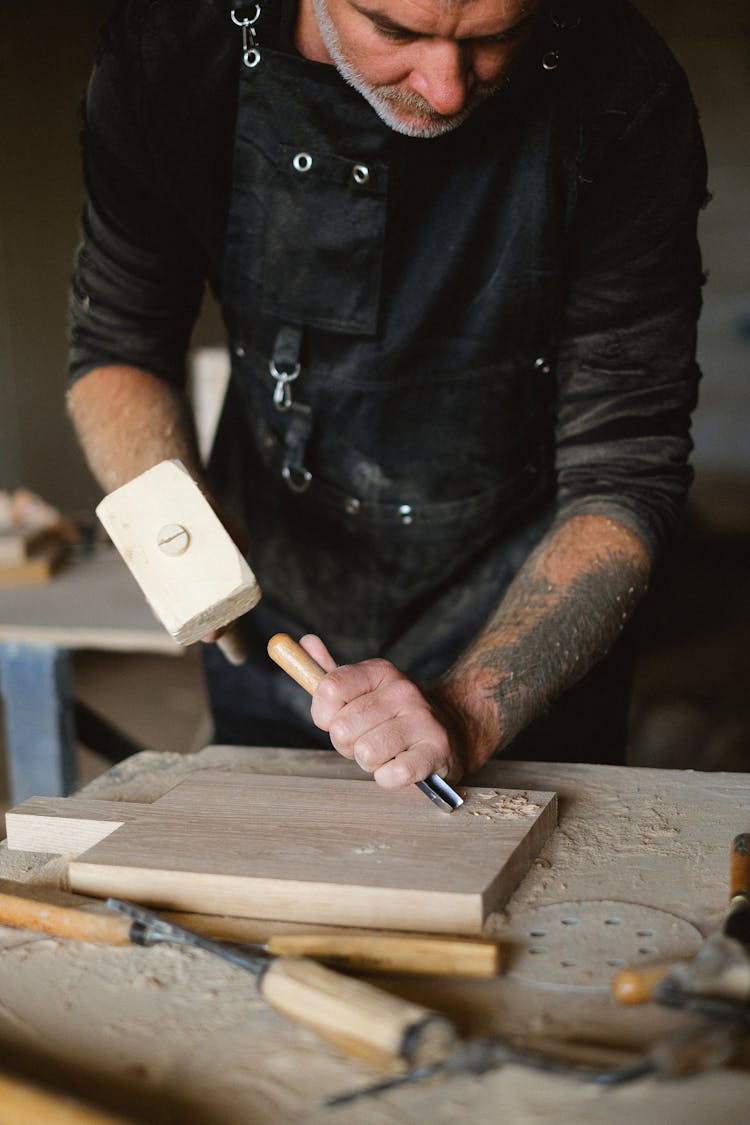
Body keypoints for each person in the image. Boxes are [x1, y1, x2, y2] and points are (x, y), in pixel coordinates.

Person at [66, 0, 708, 789]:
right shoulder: (169, 59)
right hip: (280, 617)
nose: (445, 90)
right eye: (398, 33)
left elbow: (626, 470)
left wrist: (472, 709)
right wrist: (189, 555)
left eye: (495, 39)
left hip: (527, 633)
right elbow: (116, 343)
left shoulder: (625, 93)